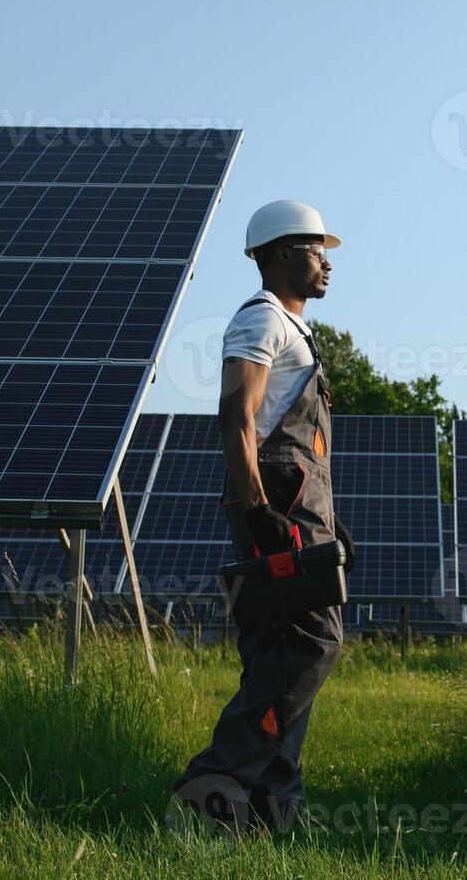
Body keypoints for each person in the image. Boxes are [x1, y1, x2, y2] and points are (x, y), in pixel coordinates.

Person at [173, 199, 352, 835]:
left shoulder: (298, 330)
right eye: (313, 249)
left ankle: (274, 809)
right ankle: (210, 787)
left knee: (277, 650)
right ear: (279, 254)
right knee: (312, 642)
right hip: (275, 508)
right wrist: (258, 508)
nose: (326, 261)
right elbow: (237, 416)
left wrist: (331, 523)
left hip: (302, 509)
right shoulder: (261, 318)